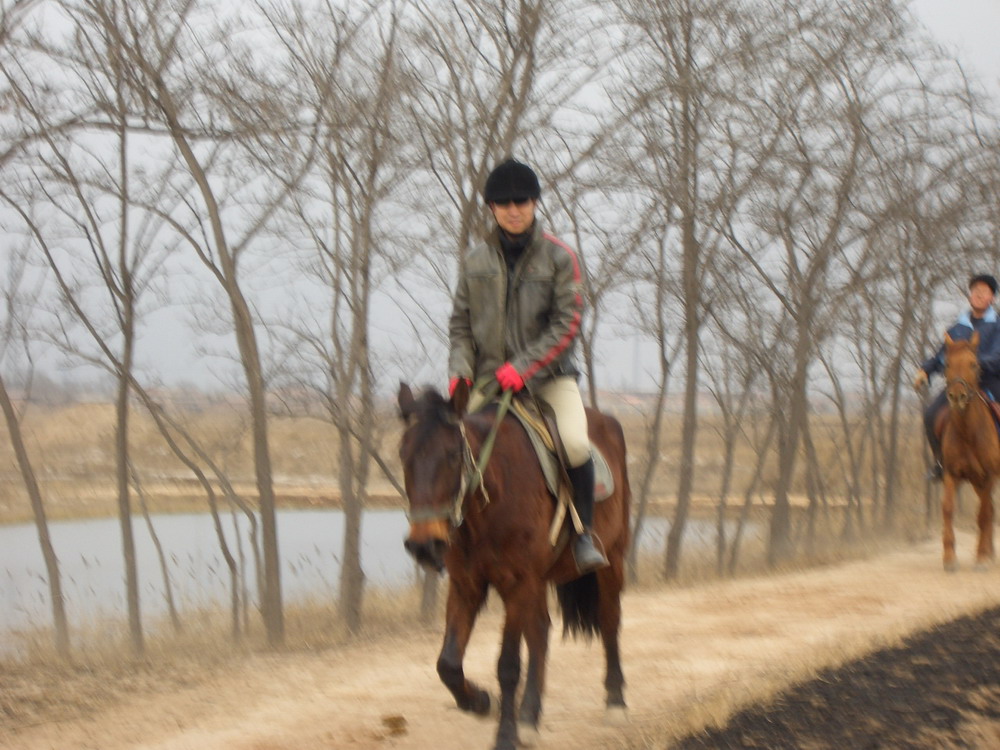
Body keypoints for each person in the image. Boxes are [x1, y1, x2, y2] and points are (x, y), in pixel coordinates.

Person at [447, 158, 608, 573]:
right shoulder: (474, 262)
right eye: (503, 203)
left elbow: (567, 323)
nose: (513, 209)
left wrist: (523, 367)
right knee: (451, 445)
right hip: (489, 381)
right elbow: (461, 324)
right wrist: (460, 371)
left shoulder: (559, 258)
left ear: (535, 203)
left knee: (574, 442)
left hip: (549, 380)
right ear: (492, 208)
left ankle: (584, 533)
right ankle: (445, 535)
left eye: (521, 201)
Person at [913, 273, 1000, 480]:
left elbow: (998, 357)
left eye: (984, 292)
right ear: (970, 296)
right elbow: (942, 356)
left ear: (992, 299)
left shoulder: (997, 326)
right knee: (930, 414)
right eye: (975, 291)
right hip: (959, 385)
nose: (978, 294)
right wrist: (926, 370)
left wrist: (977, 365)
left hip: (989, 382)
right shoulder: (956, 328)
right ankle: (941, 464)